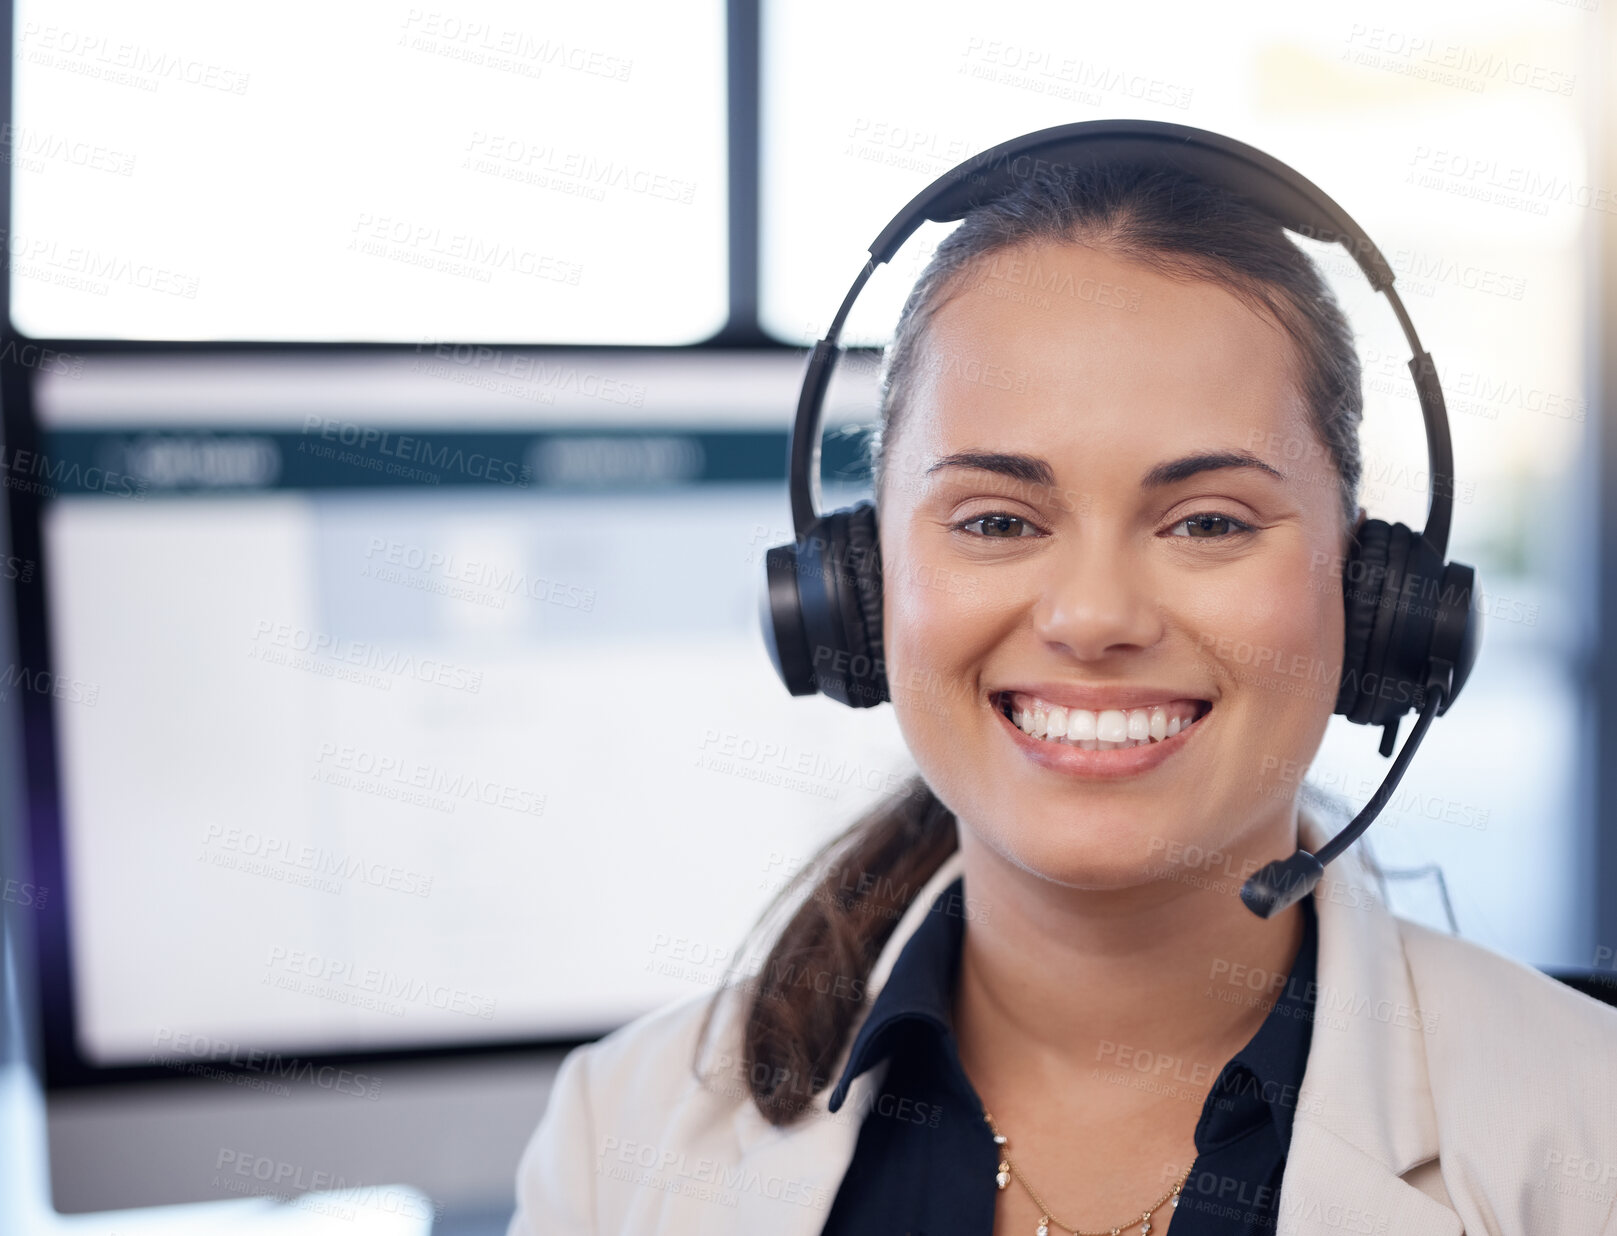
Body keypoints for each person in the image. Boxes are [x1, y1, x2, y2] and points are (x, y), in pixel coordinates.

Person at [506, 158, 1617, 1236]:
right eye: (996, 520)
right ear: (857, 589)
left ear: (1374, 595)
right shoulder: (623, 1136)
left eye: (1209, 523)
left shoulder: (1587, 1133)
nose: (1092, 618)